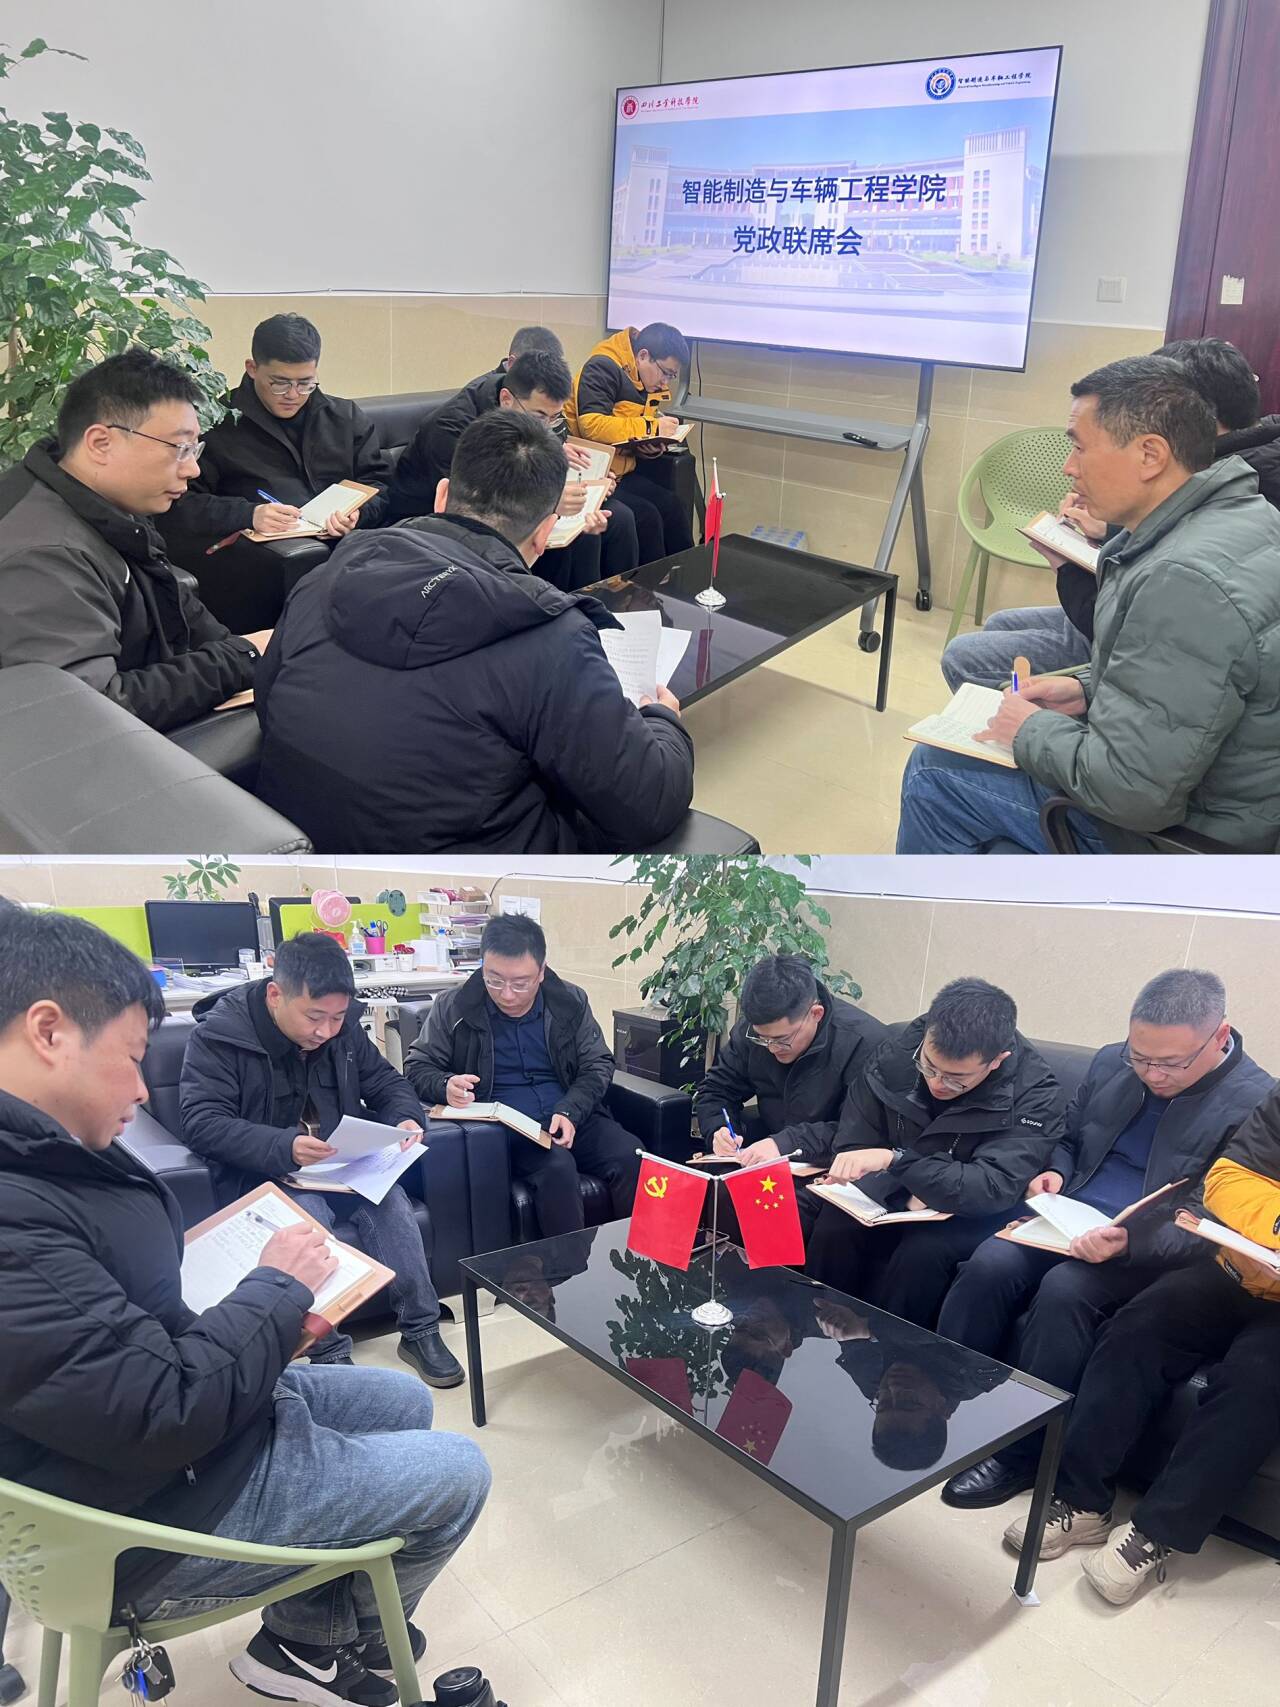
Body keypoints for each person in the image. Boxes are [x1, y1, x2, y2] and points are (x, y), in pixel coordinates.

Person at [0, 903, 491, 1707]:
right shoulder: (18, 1216)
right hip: (154, 1506)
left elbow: (128, 1347)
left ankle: (312, 1629)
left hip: (181, 1436)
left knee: (402, 1398)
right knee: (462, 1470)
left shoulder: (49, 1159)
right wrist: (275, 1290)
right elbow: (163, 1407)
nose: (141, 1088)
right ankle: (324, 1640)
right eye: (131, 1058)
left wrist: (403, 1118)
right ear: (48, 1031)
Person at [254, 409, 695, 852]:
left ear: (442, 495)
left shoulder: (321, 580)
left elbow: (268, 703)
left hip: (298, 852)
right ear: (545, 532)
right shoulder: (552, 637)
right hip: (461, 883)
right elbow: (649, 803)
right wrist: (663, 721)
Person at [900, 355, 1280, 853]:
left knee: (933, 771)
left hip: (1195, 837)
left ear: (1150, 454)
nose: (1068, 467)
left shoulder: (1183, 579)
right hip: (1237, 799)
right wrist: (1085, 688)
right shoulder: (1245, 514)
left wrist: (1029, 730)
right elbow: (1193, 684)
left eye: (1079, 447)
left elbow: (1132, 795)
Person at [940, 968, 1273, 1508]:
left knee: (1064, 1292)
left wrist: (1130, 1244)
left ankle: (1022, 1453)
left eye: (1169, 1063)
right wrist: (1054, 1171)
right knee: (988, 1265)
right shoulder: (1110, 1062)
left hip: (1147, 1246)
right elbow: (1068, 1136)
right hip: (1067, 1215)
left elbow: (1208, 1219)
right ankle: (951, 1402)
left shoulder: (1255, 1101)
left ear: (1219, 1036)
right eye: (1139, 1057)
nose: (1151, 1074)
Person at [1001, 1083, 1280, 1606]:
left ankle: (1155, 1533)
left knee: (1255, 1384)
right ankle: (1082, 1501)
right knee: (1135, 1328)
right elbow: (1228, 1179)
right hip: (1235, 1265)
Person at [179, 930, 464, 1388]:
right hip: (268, 1174)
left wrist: (406, 1118)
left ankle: (421, 1329)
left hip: (340, 1166)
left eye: (337, 1018)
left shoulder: (341, 1028)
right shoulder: (221, 1037)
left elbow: (386, 1083)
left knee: (392, 1205)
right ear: (276, 995)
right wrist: (283, 1147)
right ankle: (328, 1351)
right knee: (308, 1223)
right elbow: (201, 1122)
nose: (326, 1031)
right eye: (315, 1017)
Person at [940, 335, 1280, 692]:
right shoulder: (1230, 470)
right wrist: (1108, 531)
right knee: (1000, 624)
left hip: (1125, 639)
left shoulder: (1213, 518)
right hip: (1135, 632)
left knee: (964, 657)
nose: (1070, 468)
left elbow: (1138, 651)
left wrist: (1067, 568)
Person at [0, 348, 260, 730]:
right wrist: (237, 660)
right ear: (100, 443)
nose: (193, 469)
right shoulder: (44, 555)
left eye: (195, 448)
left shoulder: (104, 501)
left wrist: (243, 650)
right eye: (180, 448)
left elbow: (174, 599)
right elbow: (83, 713)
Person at [803, 978, 1063, 1326]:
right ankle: (814, 1331)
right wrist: (902, 1191)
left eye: (957, 1078)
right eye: (928, 1066)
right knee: (835, 1224)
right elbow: (854, 1142)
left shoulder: (1036, 1094)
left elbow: (991, 1186)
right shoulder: (896, 1052)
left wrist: (897, 1161)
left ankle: (889, 1345)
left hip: (972, 1213)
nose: (937, 1083)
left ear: (997, 1060)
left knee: (923, 1253)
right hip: (898, 1192)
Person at [405, 914, 643, 1238]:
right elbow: (417, 1066)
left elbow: (598, 1063)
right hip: (509, 1130)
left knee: (632, 1156)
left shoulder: (569, 1002)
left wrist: (571, 1110)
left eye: (520, 983)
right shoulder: (455, 1006)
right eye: (494, 980)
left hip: (572, 1114)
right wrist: (445, 1085)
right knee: (557, 1169)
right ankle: (570, 1269)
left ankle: (639, 1260)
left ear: (541, 971)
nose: (506, 994)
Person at [380, 347, 639, 588]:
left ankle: (607, 607)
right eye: (539, 416)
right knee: (567, 542)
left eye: (554, 417)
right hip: (431, 521)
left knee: (609, 521)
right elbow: (475, 507)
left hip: (508, 504)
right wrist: (549, 504)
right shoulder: (452, 429)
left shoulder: (525, 411)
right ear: (506, 399)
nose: (546, 427)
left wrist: (592, 486)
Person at [172, 313, 395, 542]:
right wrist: (248, 514)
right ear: (252, 368)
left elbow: (379, 484)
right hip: (268, 552)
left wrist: (358, 514)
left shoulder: (345, 417)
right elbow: (183, 502)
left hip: (352, 543)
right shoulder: (217, 423)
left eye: (305, 383)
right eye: (280, 383)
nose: (293, 394)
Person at [693, 954, 886, 1172]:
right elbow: (717, 1089)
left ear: (816, 1014)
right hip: (769, 1159)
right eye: (762, 1038)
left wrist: (785, 1144)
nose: (771, 1048)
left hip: (832, 1167)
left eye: (781, 1040)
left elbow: (860, 1131)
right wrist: (719, 1129)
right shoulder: (754, 1030)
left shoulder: (864, 1043)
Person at [814, 1299, 1007, 1471]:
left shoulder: (870, 1384)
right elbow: (956, 1323)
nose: (893, 1388)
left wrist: (822, 1322)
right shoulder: (982, 1375)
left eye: (884, 1404)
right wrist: (871, 1329)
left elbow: (842, 1320)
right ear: (942, 1408)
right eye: (908, 1402)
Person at [565, 322, 694, 563]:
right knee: (647, 517)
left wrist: (650, 446)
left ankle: (685, 577)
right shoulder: (602, 367)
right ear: (643, 355)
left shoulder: (644, 376)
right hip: (595, 475)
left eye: (672, 377)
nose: (666, 383)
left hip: (624, 470)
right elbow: (591, 425)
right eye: (666, 373)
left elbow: (628, 429)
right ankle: (646, 585)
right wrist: (651, 428)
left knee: (673, 506)